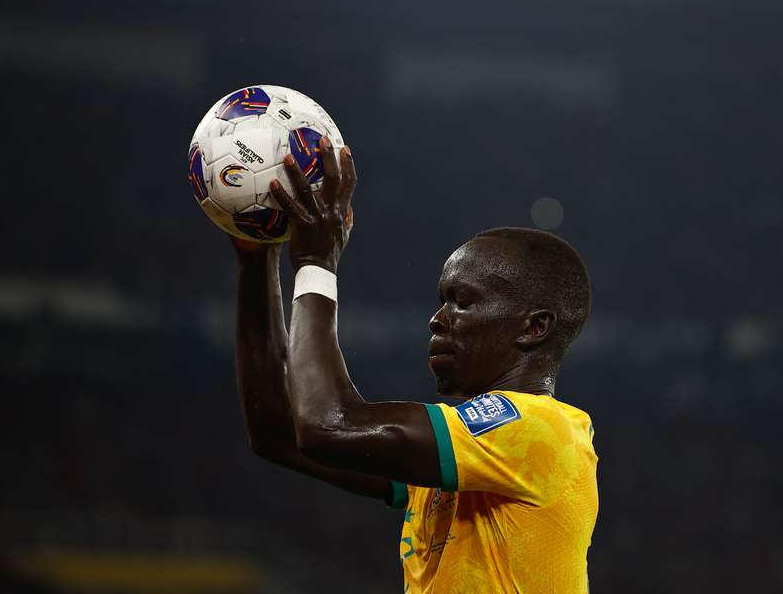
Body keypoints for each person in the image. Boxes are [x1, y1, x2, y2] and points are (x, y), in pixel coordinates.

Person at [231, 137, 598, 593]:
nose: (437, 320)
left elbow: (329, 424)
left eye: (462, 302)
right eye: (442, 301)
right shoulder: (468, 462)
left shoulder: (541, 431)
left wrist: (315, 263)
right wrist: (258, 256)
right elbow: (280, 434)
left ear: (534, 327)